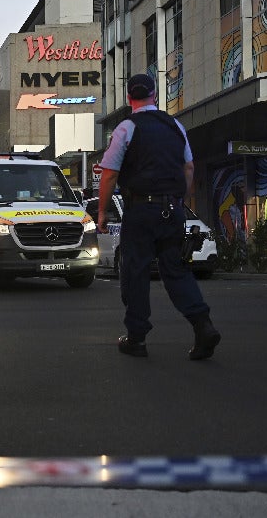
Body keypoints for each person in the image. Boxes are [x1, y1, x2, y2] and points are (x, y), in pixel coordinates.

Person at [97, 73, 220, 361]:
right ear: (155, 95)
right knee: (176, 270)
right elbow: (188, 167)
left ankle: (136, 338)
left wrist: (102, 211)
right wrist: (179, 199)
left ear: (129, 98)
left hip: (140, 210)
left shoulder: (126, 128)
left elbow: (110, 173)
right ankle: (203, 324)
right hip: (173, 209)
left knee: (136, 271)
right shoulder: (174, 125)